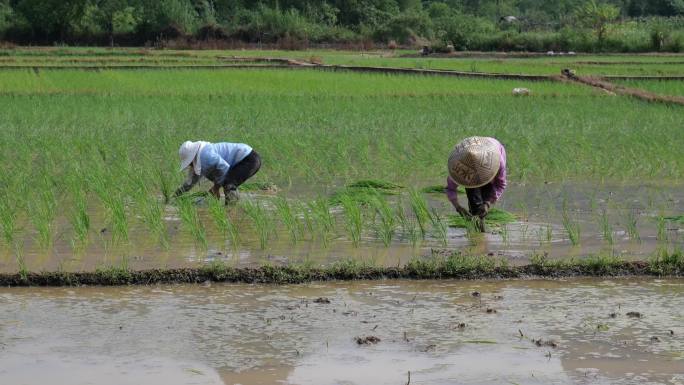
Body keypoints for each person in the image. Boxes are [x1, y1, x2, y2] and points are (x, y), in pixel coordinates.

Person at [445, 136, 507, 230]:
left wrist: (488, 203)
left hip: (488, 163)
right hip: (468, 169)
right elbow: (450, 189)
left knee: (483, 204)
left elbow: (500, 185)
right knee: (475, 206)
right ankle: (477, 232)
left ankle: (480, 230)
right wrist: (458, 207)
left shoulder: (498, 161)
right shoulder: (458, 165)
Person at [174, 140, 261, 203]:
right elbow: (190, 182)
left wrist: (216, 188)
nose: (189, 165)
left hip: (249, 159)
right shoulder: (199, 160)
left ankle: (231, 211)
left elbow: (224, 167)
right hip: (248, 158)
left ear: (192, 157)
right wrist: (175, 196)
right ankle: (230, 208)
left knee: (229, 184)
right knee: (226, 181)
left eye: (189, 162)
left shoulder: (205, 155)